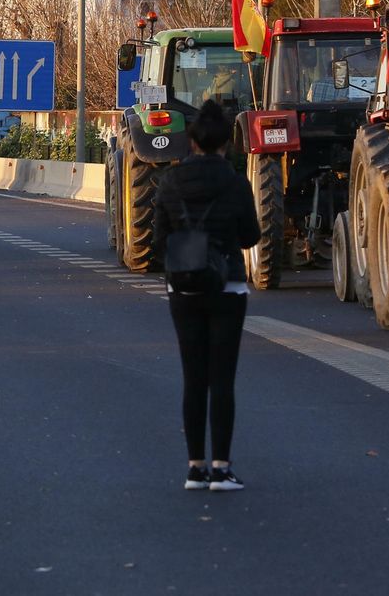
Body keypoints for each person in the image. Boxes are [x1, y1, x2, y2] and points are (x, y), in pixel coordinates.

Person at [153, 99, 260, 493]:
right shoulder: (235, 182)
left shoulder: (170, 182)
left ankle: (194, 468)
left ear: (193, 141)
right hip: (227, 285)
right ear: (224, 144)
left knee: (192, 378)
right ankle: (222, 467)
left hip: (182, 286)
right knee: (222, 379)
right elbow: (250, 236)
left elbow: (160, 238)